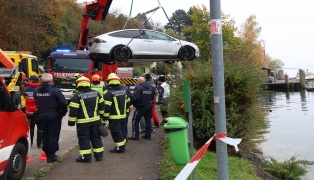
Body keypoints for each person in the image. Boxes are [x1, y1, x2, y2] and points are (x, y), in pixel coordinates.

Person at [68, 76, 105, 163]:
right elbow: (102, 106)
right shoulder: (96, 93)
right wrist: (101, 116)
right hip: (96, 121)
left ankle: (86, 157)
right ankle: (99, 155)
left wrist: (71, 122)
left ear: (78, 84)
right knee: (96, 137)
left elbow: (73, 111)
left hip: (83, 123)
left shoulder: (76, 96)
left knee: (84, 139)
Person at [34, 73, 68, 163]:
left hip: (41, 116)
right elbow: (63, 103)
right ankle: (51, 155)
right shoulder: (55, 91)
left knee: (45, 135)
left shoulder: (36, 91)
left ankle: (47, 152)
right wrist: (62, 113)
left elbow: (35, 101)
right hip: (54, 116)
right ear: (51, 80)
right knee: (53, 135)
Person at [103, 73, 131, 153]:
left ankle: (120, 148)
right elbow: (128, 103)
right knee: (122, 131)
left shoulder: (108, 93)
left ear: (109, 82)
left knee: (116, 132)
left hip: (114, 117)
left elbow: (107, 107)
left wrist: (105, 118)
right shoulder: (124, 91)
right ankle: (122, 145)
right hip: (123, 116)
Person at [23, 75, 42, 147]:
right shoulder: (41, 89)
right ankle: (39, 144)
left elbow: (24, 97)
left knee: (30, 128)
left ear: (31, 81)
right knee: (40, 128)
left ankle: (30, 143)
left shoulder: (26, 89)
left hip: (29, 112)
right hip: (38, 112)